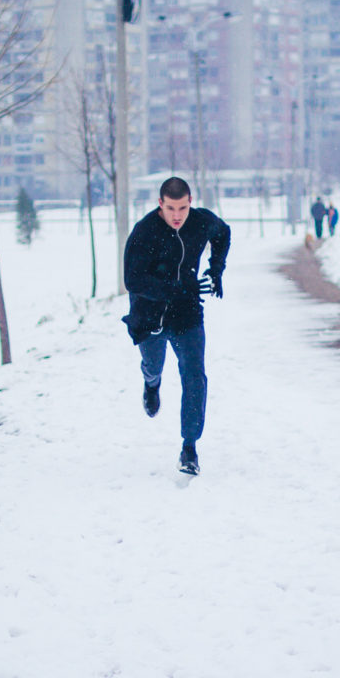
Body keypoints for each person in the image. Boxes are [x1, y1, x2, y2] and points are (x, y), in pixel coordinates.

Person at [123, 177, 231, 476]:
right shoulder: (144, 231)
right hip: (150, 314)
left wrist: (216, 269)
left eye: (182, 208)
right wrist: (175, 289)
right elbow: (133, 280)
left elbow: (223, 232)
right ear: (160, 203)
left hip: (187, 313)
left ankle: (189, 448)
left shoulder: (200, 221)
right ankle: (152, 383)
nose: (177, 215)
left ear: (190, 202)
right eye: (170, 208)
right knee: (153, 364)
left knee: (194, 375)